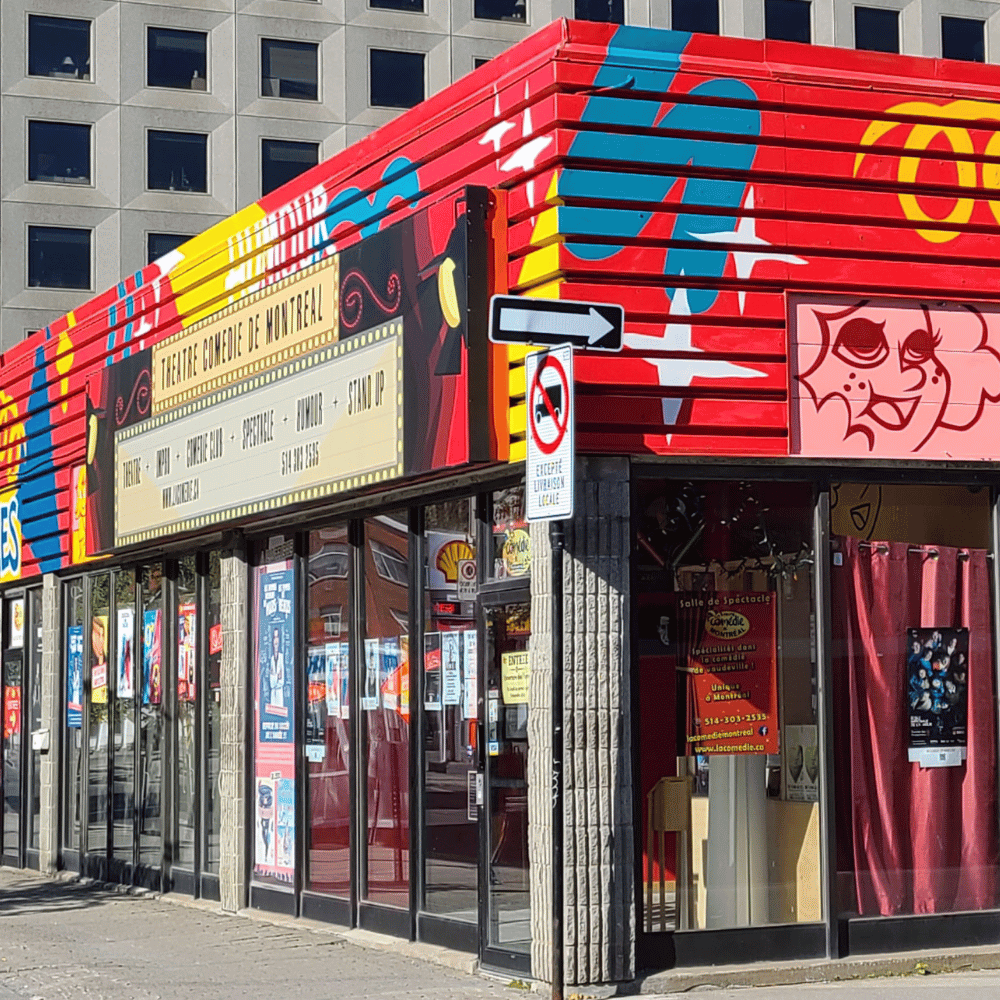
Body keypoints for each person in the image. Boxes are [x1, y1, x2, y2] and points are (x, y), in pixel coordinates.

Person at [268, 627, 285, 709]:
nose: (276, 640)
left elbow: (281, 681)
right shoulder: (271, 658)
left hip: (279, 695)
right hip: (273, 695)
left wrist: (274, 676)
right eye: (274, 637)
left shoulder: (282, 657)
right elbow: (271, 684)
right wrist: (276, 676)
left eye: (277, 637)